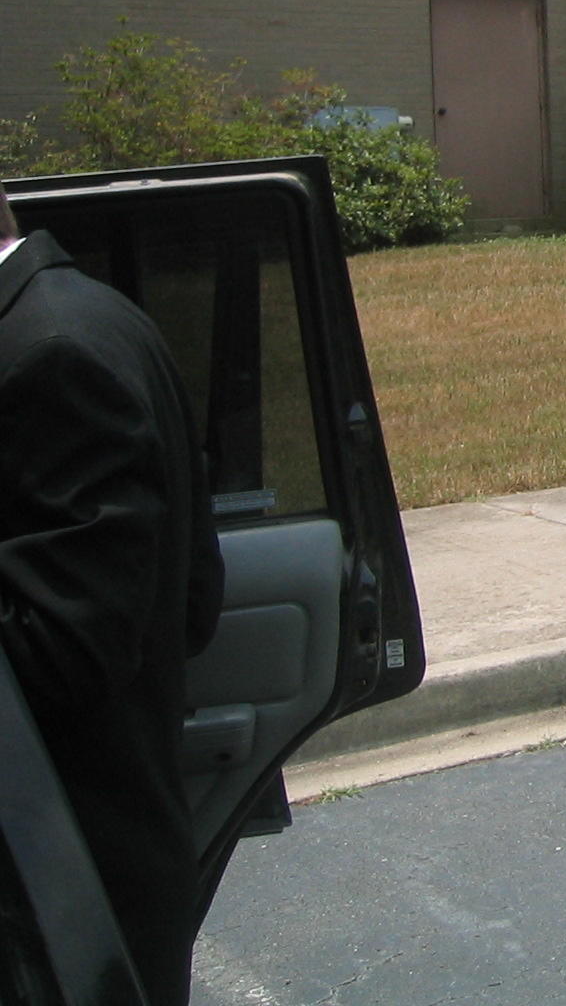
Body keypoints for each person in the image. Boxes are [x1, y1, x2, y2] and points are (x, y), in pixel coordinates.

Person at [0, 184, 224, 1005]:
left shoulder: (49, 355)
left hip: (57, 901)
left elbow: (67, 649)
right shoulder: (94, 315)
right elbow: (194, 597)